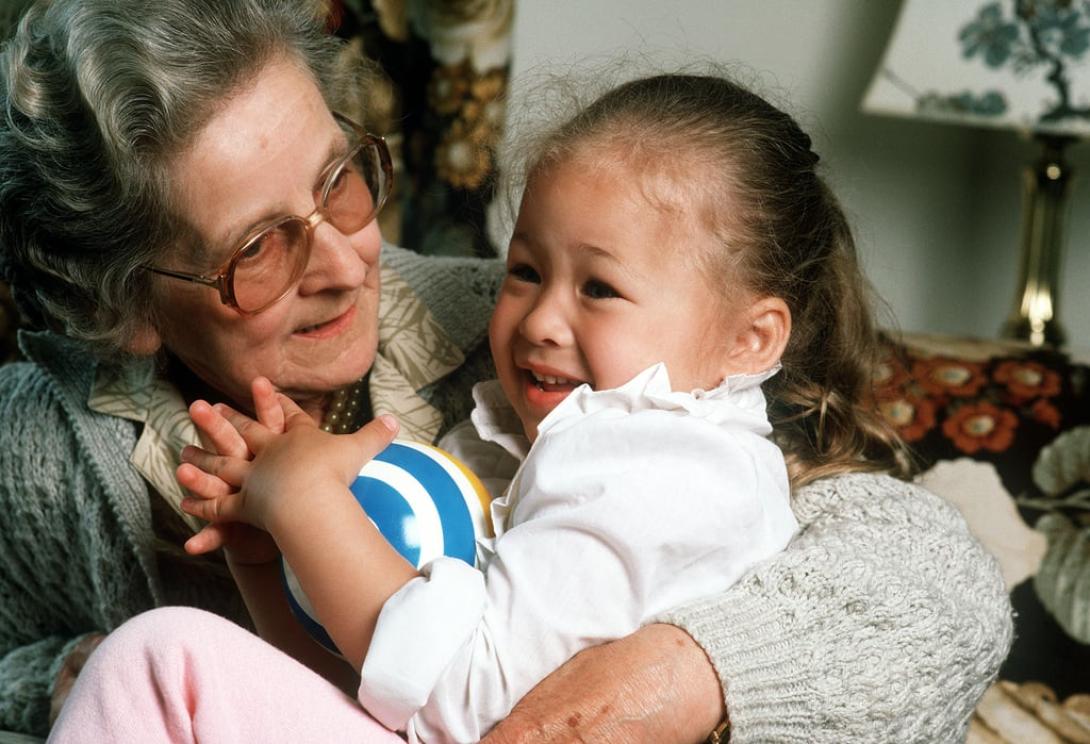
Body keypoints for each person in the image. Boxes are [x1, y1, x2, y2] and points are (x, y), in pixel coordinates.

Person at [0, 0, 1012, 742]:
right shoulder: (35, 447)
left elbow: (938, 585)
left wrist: (696, 669)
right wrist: (63, 674)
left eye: (340, 181)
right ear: (125, 303)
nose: (347, 259)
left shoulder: (561, 359)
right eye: (259, 247)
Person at [52, 72, 813, 743]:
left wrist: (312, 505)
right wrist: (266, 559)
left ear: (750, 340)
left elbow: (469, 703)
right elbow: (376, 695)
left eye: (600, 289)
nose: (541, 320)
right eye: (525, 269)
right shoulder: (544, 438)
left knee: (158, 663)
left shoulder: (663, 470)